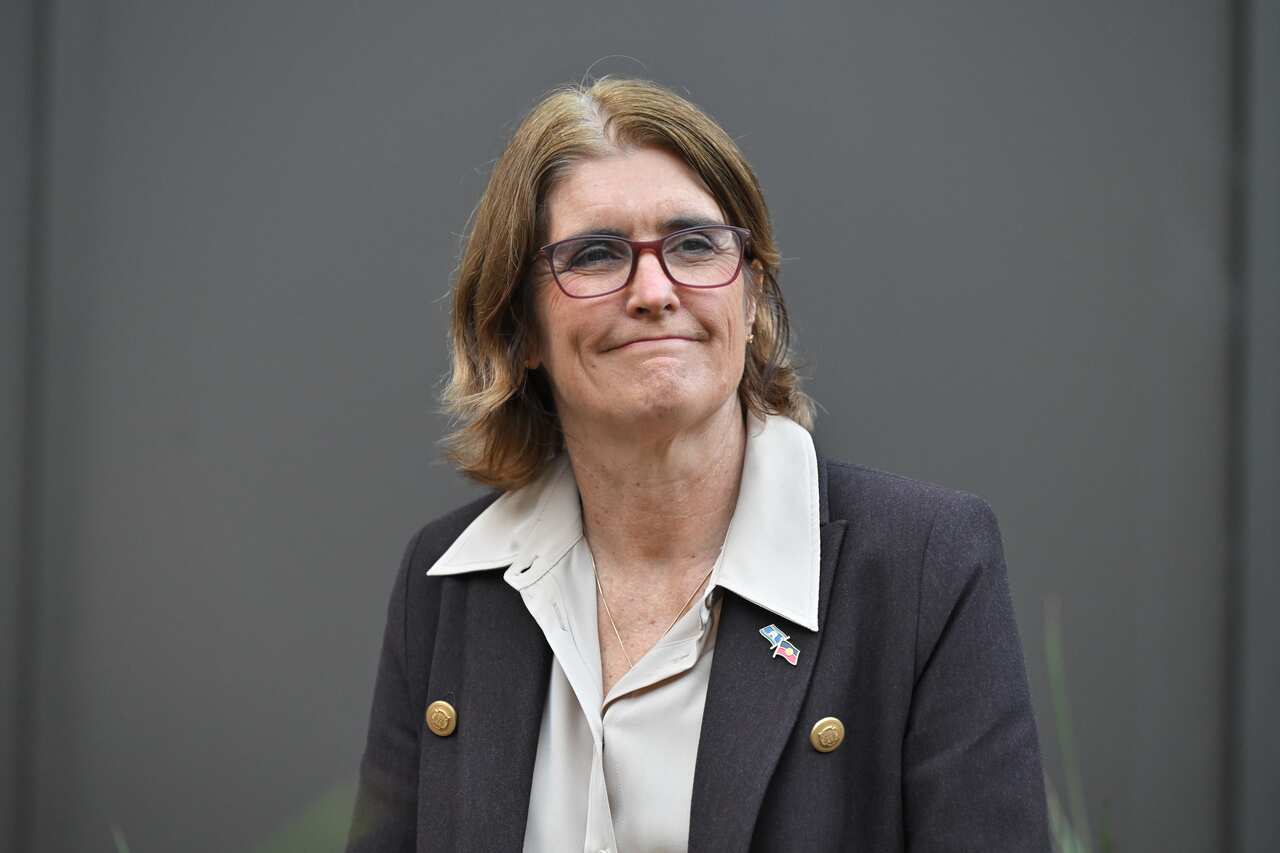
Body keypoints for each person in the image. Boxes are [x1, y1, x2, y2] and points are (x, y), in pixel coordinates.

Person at [346, 77, 1050, 853]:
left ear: (751, 301)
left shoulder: (926, 567)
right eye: (595, 254)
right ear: (520, 329)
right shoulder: (447, 589)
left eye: (693, 244)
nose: (654, 291)